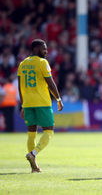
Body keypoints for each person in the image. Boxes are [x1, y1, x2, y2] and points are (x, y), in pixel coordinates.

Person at [17, 39, 63, 173]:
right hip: (42, 102)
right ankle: (33, 154)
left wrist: (23, 105)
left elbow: (20, 87)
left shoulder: (22, 64)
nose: (46, 51)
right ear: (36, 49)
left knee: (31, 133)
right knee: (49, 131)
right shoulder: (43, 62)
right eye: (44, 48)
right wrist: (58, 98)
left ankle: (34, 167)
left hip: (28, 103)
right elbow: (50, 83)